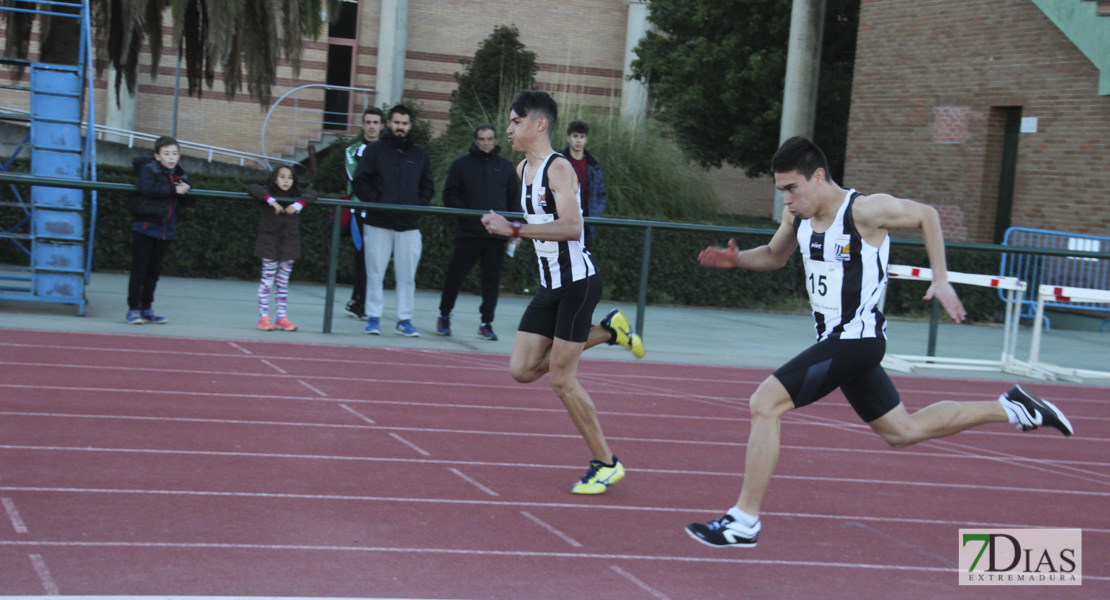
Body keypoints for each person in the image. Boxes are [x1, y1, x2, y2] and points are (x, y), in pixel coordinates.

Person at [686, 136, 1074, 548]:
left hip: (858, 340)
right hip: (840, 342)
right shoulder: (797, 218)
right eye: (781, 190)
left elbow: (927, 215)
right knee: (902, 431)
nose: (786, 198)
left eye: (791, 188)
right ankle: (1011, 408)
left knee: (765, 403)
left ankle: (744, 520)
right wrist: (738, 258)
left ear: (818, 177)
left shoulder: (864, 210)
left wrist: (940, 278)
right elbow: (775, 256)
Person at [481, 90, 646, 495]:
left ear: (539, 124)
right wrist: (517, 235)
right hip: (549, 286)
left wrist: (515, 230)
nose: (508, 129)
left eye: (515, 121)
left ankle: (606, 463)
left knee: (561, 379)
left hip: (577, 285)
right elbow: (540, 224)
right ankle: (609, 331)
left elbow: (573, 227)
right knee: (521, 370)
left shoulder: (559, 170)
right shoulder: (521, 171)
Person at [352, 104, 435, 337]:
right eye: (397, 122)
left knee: (407, 276)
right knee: (375, 271)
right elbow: (360, 181)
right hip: (378, 222)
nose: (400, 127)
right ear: (389, 124)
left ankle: (405, 319)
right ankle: (373, 317)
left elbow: (428, 185)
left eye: (405, 123)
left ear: (410, 125)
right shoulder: (375, 150)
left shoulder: (420, 153)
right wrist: (377, 202)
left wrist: (418, 205)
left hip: (408, 225)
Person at [437, 124, 520, 341]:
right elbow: (449, 196)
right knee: (455, 276)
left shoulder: (506, 167)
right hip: (468, 233)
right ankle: (444, 315)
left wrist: (515, 229)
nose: (486, 142)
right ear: (475, 140)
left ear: (495, 140)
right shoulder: (461, 165)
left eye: (490, 138)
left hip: (496, 237)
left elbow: (515, 202)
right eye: (482, 139)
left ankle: (486, 323)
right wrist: (471, 216)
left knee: (491, 281)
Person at [126, 135, 192, 324]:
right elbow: (147, 188)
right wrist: (173, 190)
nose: (171, 157)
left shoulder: (180, 174)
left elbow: (185, 198)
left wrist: (186, 190)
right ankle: (133, 309)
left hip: (165, 230)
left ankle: (147, 308)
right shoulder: (149, 169)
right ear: (157, 156)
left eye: (174, 153)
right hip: (145, 227)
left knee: (153, 273)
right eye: (166, 154)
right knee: (139, 270)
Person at [247, 165, 317, 331]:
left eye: (290, 178)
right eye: (282, 177)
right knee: (267, 281)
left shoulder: (296, 194)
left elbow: (312, 193)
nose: (286, 181)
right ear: (275, 179)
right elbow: (253, 188)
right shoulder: (267, 191)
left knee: (283, 282)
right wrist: (271, 201)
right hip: (269, 243)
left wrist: (298, 204)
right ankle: (263, 317)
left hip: (289, 244)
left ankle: (281, 317)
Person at [342, 107, 384, 320]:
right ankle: (360, 303)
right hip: (358, 212)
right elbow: (356, 175)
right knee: (361, 258)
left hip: (379, 212)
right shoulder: (352, 150)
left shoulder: (387, 150)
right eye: (367, 122)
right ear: (362, 125)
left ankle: (359, 299)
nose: (371, 126)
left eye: (375, 122)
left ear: (381, 126)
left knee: (376, 259)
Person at [561, 120, 607, 251]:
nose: (578, 140)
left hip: (586, 224)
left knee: (583, 266)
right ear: (568, 138)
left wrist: (595, 215)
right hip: (562, 223)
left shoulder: (594, 165)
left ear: (586, 139)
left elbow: (601, 194)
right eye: (575, 136)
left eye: (582, 137)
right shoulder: (558, 161)